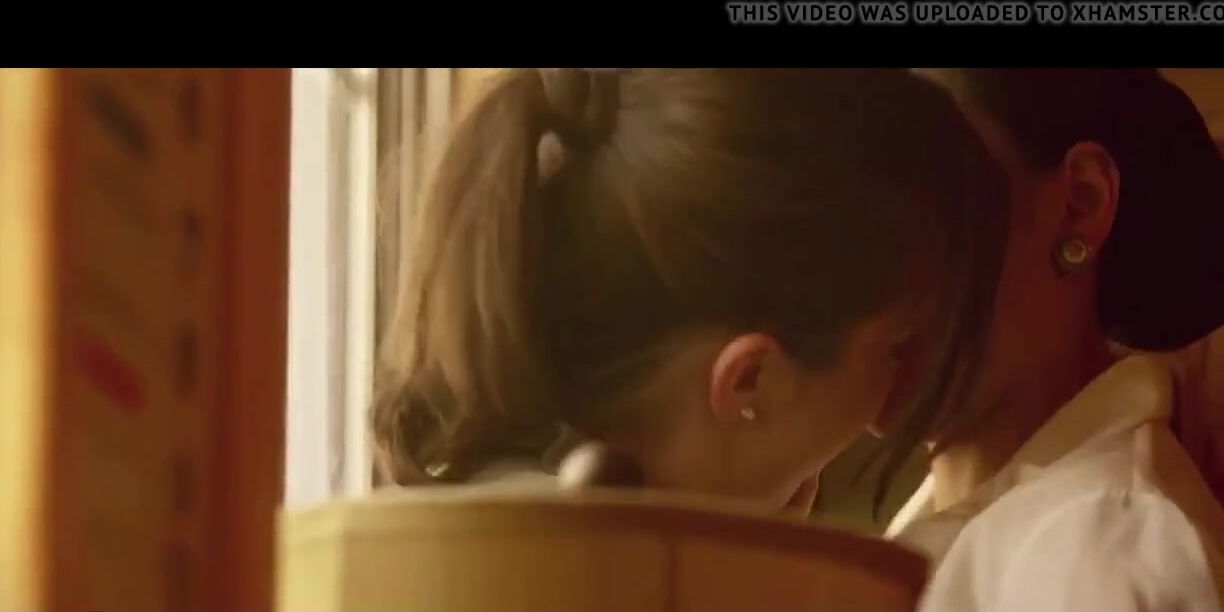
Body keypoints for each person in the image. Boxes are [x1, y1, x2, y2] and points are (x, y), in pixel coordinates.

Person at [370, 68, 1007, 515]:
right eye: (896, 345)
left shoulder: (479, 529)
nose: (894, 403)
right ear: (751, 381)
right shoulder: (602, 581)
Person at [882, 69, 1224, 611]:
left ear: (1080, 203)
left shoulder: (1103, 552)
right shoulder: (977, 518)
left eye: (911, 184)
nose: (862, 248)